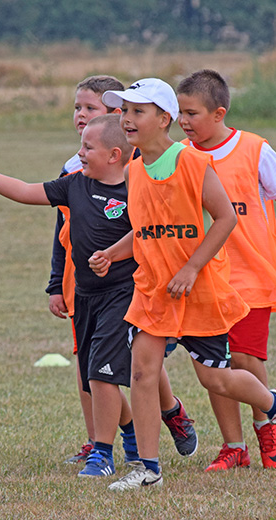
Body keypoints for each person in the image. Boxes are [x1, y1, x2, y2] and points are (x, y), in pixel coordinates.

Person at [90, 77, 276, 491]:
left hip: (198, 291)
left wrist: (191, 268)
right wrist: (113, 253)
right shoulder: (133, 169)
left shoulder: (192, 162)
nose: (127, 118)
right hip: (154, 290)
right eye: (124, 111)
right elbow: (142, 229)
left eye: (138, 111)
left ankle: (275, 403)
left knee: (216, 379)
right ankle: (149, 469)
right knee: (142, 373)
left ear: (164, 118)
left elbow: (226, 218)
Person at [0, 114, 143, 478]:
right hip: (85, 295)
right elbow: (25, 191)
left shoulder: (137, 190)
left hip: (123, 294)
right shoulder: (73, 184)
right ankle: (130, 432)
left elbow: (149, 235)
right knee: (93, 375)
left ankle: (102, 454)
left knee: (102, 374)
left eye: (88, 147)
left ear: (115, 154)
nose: (79, 153)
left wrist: (114, 255)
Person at [175, 69, 276, 471]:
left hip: (250, 276)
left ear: (219, 113)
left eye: (191, 113)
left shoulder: (254, 149)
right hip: (205, 278)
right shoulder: (181, 156)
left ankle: (266, 421)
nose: (183, 121)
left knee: (245, 358)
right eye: (179, 112)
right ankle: (234, 446)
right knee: (216, 366)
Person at [48, 76, 198, 465]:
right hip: (83, 283)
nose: (81, 116)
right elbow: (64, 225)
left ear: (116, 117)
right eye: (77, 108)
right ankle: (105, 437)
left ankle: (155, 421)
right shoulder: (78, 164)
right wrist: (54, 283)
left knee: (129, 363)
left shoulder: (142, 161)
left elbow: (160, 224)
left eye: (91, 109)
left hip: (132, 281)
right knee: (92, 368)